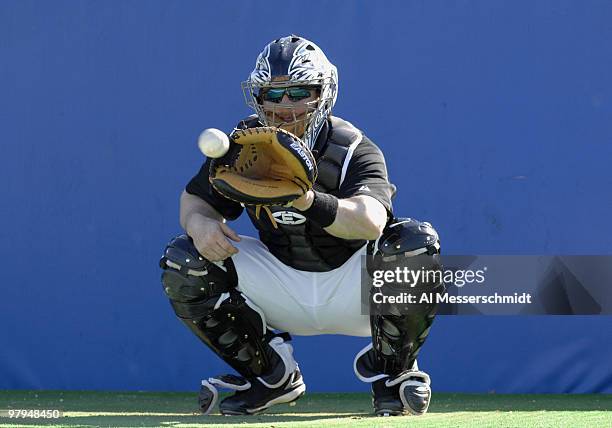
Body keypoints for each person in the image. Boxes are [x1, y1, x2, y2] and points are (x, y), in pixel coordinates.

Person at [160, 35, 442, 416]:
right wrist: (201, 225)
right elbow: (193, 200)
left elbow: (371, 221)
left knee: (413, 243)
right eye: (272, 95)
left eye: (298, 92)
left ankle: (392, 374)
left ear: (323, 94)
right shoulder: (244, 146)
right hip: (277, 282)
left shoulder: (353, 148)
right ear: (257, 98)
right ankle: (270, 375)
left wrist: (302, 199)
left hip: (352, 289)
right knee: (184, 259)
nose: (285, 106)